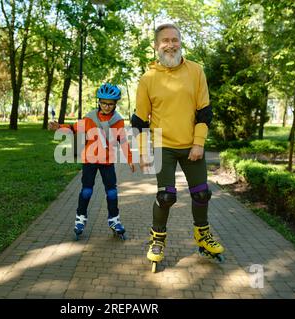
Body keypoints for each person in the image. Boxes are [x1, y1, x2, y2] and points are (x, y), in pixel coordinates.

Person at [131, 24, 225, 269]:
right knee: (166, 196)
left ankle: (202, 235)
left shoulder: (196, 71)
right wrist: (142, 152)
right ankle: (157, 240)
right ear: (156, 45)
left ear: (180, 42)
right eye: (165, 41)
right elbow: (140, 120)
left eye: (174, 40)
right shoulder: (148, 78)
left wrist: (199, 143)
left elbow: (204, 112)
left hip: (192, 145)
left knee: (202, 193)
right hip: (163, 146)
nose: (170, 44)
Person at [49, 83, 135, 240]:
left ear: (115, 104)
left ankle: (114, 220)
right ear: (99, 102)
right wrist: (59, 127)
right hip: (90, 160)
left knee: (112, 192)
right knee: (87, 190)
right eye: (103, 102)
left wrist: (129, 159)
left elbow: (122, 140)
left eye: (110, 103)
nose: (106, 106)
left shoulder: (118, 121)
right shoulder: (90, 118)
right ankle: (80, 219)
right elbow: (74, 128)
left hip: (107, 161)